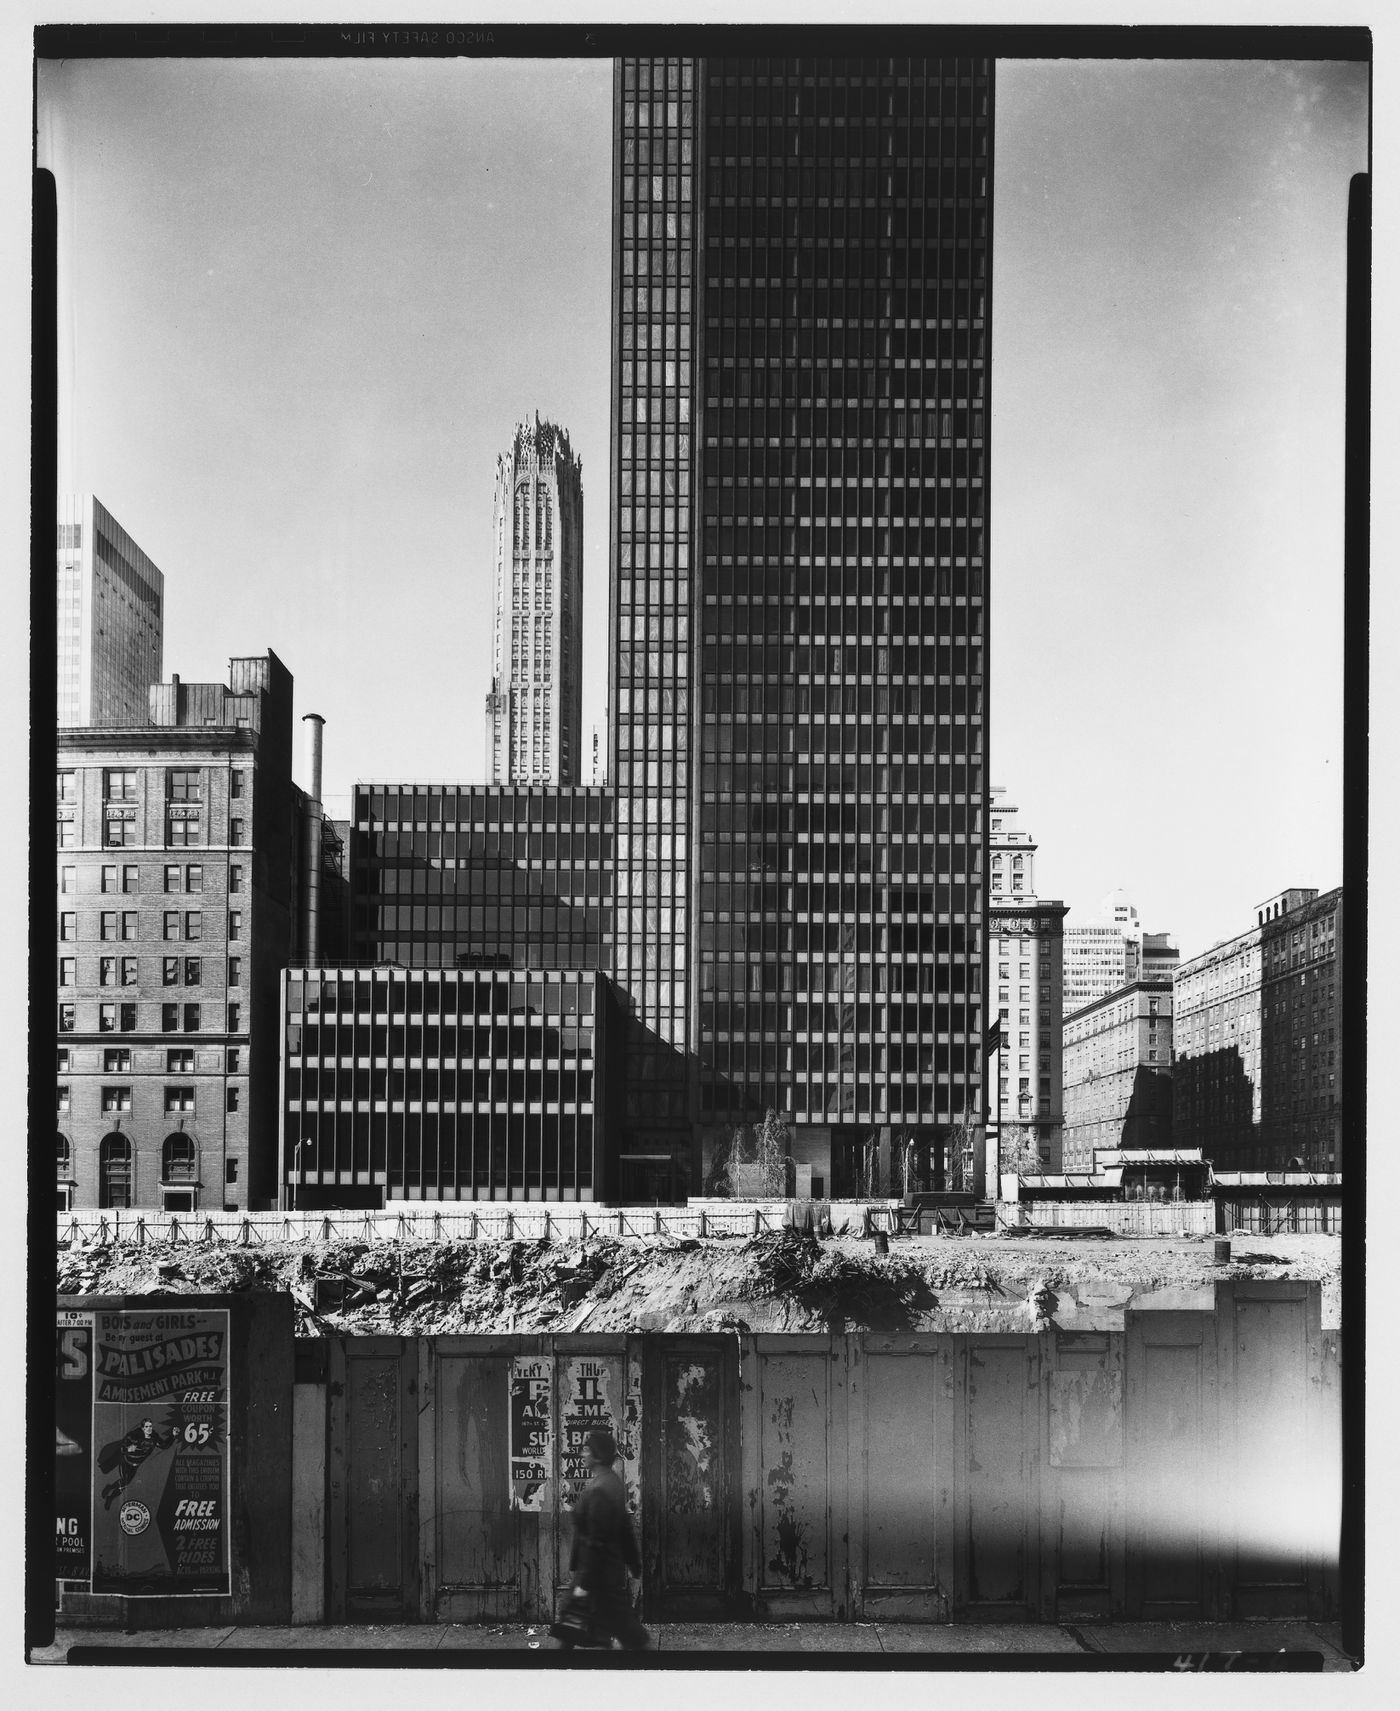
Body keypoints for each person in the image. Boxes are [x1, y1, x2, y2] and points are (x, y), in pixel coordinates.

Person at [559, 1427, 650, 1651]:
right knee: (571, 1631)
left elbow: (596, 1542)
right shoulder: (612, 1482)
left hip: (598, 1580)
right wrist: (633, 1561)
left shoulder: (600, 1489)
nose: (582, 1454)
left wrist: (583, 1584)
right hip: (605, 1577)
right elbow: (624, 1529)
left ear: (597, 1455)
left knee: (569, 1632)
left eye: (586, 1450)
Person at [97, 1416, 176, 1509]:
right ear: (142, 1428)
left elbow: (164, 1445)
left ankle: (110, 1488)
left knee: (124, 1482)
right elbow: (122, 1447)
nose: (149, 1428)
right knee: (124, 1483)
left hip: (135, 1466)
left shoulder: (154, 1436)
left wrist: (173, 1435)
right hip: (126, 1462)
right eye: (147, 1427)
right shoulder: (133, 1435)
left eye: (150, 1426)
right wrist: (128, 1449)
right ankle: (110, 1498)